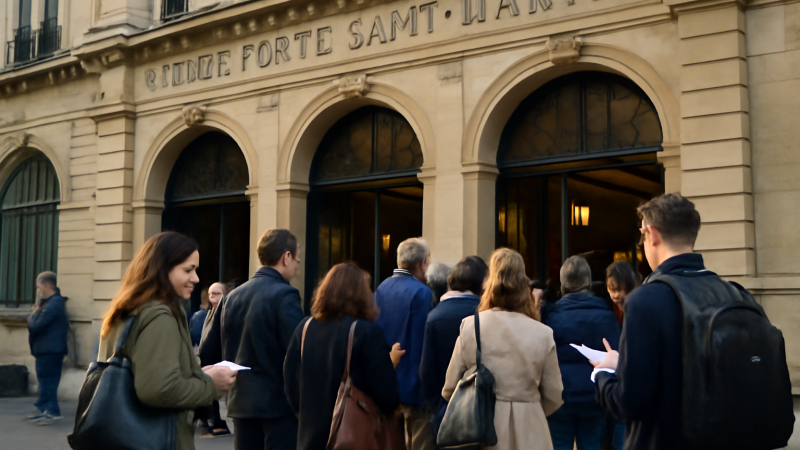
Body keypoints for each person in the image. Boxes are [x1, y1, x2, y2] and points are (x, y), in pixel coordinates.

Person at [97, 232, 236, 450]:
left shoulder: (129, 308)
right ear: (162, 268)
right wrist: (210, 384)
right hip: (156, 439)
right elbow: (158, 389)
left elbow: (149, 373)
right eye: (188, 270)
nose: (196, 278)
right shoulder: (159, 315)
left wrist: (197, 375)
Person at [592, 193, 701, 449]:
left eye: (642, 234)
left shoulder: (645, 300)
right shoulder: (733, 292)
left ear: (651, 234)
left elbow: (629, 403)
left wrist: (603, 373)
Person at [443, 248, 563, 450]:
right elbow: (554, 395)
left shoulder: (471, 327)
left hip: (484, 430)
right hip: (531, 430)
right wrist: (528, 407)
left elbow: (450, 388)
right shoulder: (543, 333)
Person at [200, 228, 304, 450]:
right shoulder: (285, 294)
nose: (296, 266)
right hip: (279, 407)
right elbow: (296, 354)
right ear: (286, 257)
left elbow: (209, 351)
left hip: (241, 405)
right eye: (297, 260)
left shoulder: (231, 298)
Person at [284, 262, 403, 450]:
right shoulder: (367, 332)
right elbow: (387, 396)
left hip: (310, 437)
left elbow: (291, 384)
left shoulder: (304, 328)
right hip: (354, 437)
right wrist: (391, 363)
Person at [543, 256, 621, 450]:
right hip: (595, 397)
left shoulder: (550, 318)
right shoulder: (607, 316)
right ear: (588, 282)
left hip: (560, 398)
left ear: (562, 284)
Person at [374, 237, 435, 450]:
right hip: (413, 387)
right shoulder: (422, 292)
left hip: (388, 383)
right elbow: (421, 343)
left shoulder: (381, 288)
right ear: (422, 263)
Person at [420, 255, 488, 434]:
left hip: (446, 407)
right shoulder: (485, 314)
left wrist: (435, 406)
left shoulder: (434, 316)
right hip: (483, 405)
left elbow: (427, 369)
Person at [600, 262, 640, 450]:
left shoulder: (638, 311)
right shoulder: (612, 310)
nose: (616, 295)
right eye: (611, 289)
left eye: (620, 289)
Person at [26, 271, 69, 426]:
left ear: (47, 285)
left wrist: (33, 314)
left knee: (49, 381)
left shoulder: (55, 303)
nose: (38, 290)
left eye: (39, 287)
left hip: (51, 350)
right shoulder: (50, 303)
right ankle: (45, 409)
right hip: (46, 349)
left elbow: (36, 326)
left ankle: (51, 411)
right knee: (45, 381)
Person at [196, 282, 231, 439]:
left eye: (216, 293)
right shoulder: (208, 313)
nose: (213, 296)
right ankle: (210, 421)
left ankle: (212, 421)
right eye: (211, 293)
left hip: (218, 357)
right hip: (207, 358)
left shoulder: (225, 311)